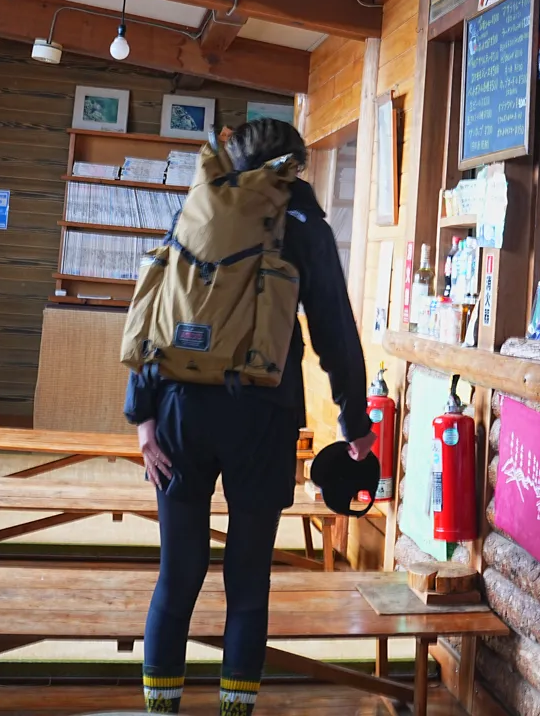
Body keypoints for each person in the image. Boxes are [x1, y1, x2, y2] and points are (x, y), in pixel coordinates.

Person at [127, 118, 374, 716]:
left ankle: (162, 711)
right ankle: (235, 711)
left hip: (180, 409)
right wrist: (355, 420)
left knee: (177, 575)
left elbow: (160, 305)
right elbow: (333, 329)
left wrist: (143, 417)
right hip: (263, 415)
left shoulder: (202, 207)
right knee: (247, 582)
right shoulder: (303, 223)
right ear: (293, 167)